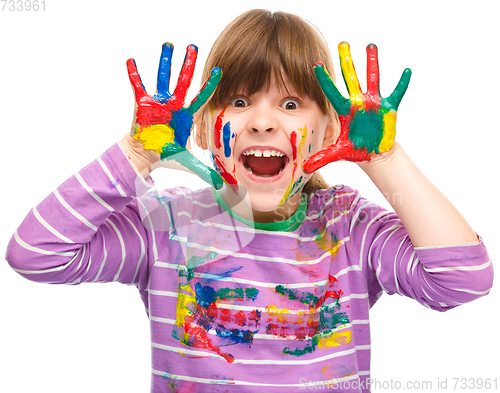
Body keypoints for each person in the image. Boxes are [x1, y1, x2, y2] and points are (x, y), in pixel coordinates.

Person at [5, 9, 493, 393]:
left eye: (289, 104)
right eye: (238, 102)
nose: (261, 122)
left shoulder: (350, 228)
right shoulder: (166, 225)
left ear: (329, 128)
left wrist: (383, 158)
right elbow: (36, 255)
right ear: (201, 123)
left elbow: (463, 281)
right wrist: (136, 153)